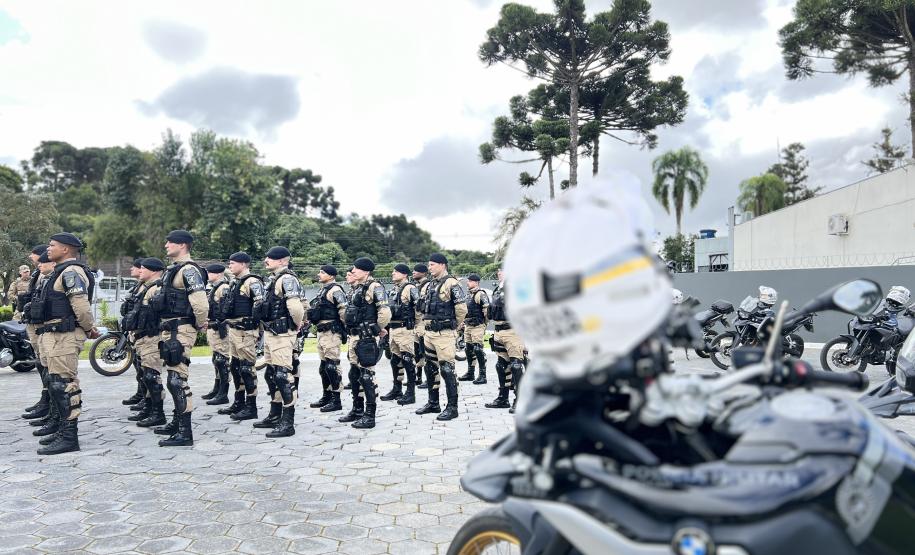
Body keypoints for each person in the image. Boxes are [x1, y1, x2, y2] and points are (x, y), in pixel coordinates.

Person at [31, 233, 100, 455]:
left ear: (66, 249)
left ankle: (70, 437)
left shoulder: (72, 272)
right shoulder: (59, 272)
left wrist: (89, 328)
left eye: (52, 246)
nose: (48, 249)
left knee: (64, 384)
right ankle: (62, 429)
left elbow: (81, 306)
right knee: (55, 383)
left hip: (65, 334)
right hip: (54, 334)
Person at [151, 230, 208, 447]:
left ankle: (185, 433)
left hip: (181, 329)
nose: (166, 245)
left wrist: (201, 322)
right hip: (171, 328)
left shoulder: (189, 270)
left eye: (170, 242)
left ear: (182, 245)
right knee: (173, 376)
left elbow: (201, 303)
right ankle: (176, 423)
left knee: (177, 380)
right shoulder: (173, 270)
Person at [259, 246, 305, 437]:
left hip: (282, 333)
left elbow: (295, 307)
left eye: (270, 258)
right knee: (271, 374)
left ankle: (288, 422)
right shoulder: (275, 280)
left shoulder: (287, 279)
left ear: (282, 261)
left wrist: (296, 325)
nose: (266, 260)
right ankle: (275, 414)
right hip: (272, 333)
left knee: (282, 376)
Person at [340, 257, 391, 429]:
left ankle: (370, 416)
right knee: (354, 374)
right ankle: (357, 410)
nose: (353, 271)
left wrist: (377, 328)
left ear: (366, 271)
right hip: (355, 336)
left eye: (356, 268)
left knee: (367, 375)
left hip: (366, 337)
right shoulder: (357, 288)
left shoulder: (374, 287)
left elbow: (384, 311)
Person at [417, 253, 467, 421]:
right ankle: (433, 403)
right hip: (429, 333)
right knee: (430, 368)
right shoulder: (431, 284)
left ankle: (453, 407)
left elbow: (461, 309)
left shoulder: (452, 283)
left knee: (447, 369)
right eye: (429, 264)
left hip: (444, 333)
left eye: (432, 264)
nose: (429, 267)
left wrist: (455, 326)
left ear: (442, 265)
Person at [219, 252, 265, 421]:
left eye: (233, 263)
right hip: (234, 330)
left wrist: (256, 327)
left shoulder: (252, 282)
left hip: (246, 331)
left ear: (244, 264)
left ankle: (251, 406)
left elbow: (260, 305)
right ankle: (239, 402)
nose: (230, 265)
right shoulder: (234, 282)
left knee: (247, 368)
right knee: (235, 367)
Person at [122, 258, 169, 428]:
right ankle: (149, 408)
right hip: (142, 337)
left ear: (154, 270)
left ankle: (158, 414)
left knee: (151, 376)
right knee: (145, 375)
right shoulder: (146, 287)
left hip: (152, 338)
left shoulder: (157, 288)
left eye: (143, 268)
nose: (139, 271)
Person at [306, 264, 347, 412]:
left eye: (322, 272)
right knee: (324, 367)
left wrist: (344, 329)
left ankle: (336, 400)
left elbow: (344, 311)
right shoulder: (323, 290)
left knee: (332, 366)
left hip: (331, 332)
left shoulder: (336, 290)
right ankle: (327, 396)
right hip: (322, 332)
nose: (319, 274)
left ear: (331, 275)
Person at [486, 267, 526, 413]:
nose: (499, 272)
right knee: (501, 365)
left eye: (502, 270)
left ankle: (520, 400)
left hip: (513, 331)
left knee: (516, 365)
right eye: (498, 271)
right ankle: (503, 398)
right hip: (499, 330)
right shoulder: (498, 288)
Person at [20, 245, 50, 423]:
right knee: (41, 363)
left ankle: (49, 405)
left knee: (47, 366)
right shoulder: (37, 274)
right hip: (33, 322)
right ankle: (45, 400)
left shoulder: (47, 274)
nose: (32, 258)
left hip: (43, 325)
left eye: (33, 255)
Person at [384, 264, 418, 404]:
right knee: (395, 360)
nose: (393, 274)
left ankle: (410, 393)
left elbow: (419, 307)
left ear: (404, 274)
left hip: (405, 329)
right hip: (393, 329)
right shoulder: (394, 290)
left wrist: (416, 326)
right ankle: (396, 389)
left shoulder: (410, 288)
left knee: (408, 360)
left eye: (396, 272)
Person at [120, 259, 148, 410]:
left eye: (136, 267)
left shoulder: (148, 286)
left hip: (145, 333)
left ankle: (146, 398)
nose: (132, 269)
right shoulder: (138, 286)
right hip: (134, 330)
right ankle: (141, 393)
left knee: (145, 368)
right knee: (138, 365)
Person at [202, 263, 231, 404]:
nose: (207, 275)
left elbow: (225, 312)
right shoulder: (215, 288)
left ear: (218, 274)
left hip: (221, 330)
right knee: (216, 360)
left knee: (222, 361)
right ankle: (217, 389)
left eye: (210, 272)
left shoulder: (223, 288)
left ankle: (223, 393)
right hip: (214, 329)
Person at [459, 273, 489, 384]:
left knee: (478, 349)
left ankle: (482, 375)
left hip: (478, 325)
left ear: (476, 282)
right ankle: (470, 373)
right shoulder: (469, 295)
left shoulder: (481, 294)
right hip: (468, 326)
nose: (468, 282)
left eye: (470, 281)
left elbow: (487, 312)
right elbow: (465, 311)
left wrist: (483, 324)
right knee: (468, 349)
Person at [412, 264, 431, 390]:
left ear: (423, 273)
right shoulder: (416, 287)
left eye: (416, 271)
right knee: (417, 352)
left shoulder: (428, 286)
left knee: (427, 353)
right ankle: (418, 377)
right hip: (416, 324)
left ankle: (429, 379)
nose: (413, 273)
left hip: (424, 323)